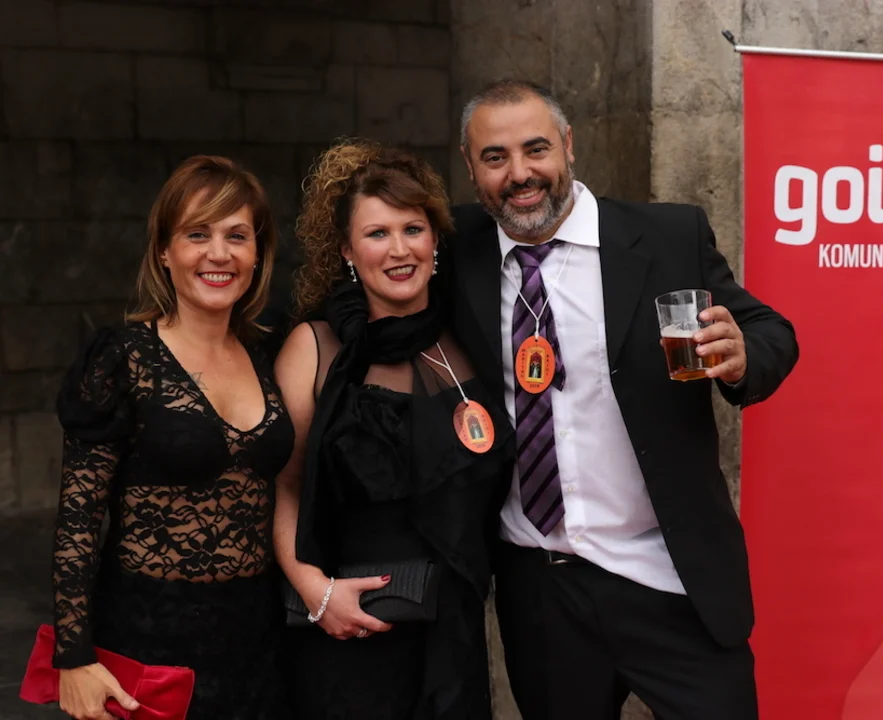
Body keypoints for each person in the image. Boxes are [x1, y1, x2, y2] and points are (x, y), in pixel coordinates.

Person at [448, 81, 800, 720]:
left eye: (536, 149)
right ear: (471, 168)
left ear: (569, 146)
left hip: (668, 575)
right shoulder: (455, 249)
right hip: (541, 587)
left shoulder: (667, 236)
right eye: (495, 157)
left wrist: (743, 354)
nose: (520, 174)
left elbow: (772, 331)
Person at [273, 140, 512, 719]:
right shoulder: (314, 347)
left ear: (435, 241)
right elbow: (282, 485)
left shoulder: (470, 342)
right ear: (347, 251)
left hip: (452, 629)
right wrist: (315, 591)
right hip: (348, 625)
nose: (399, 250)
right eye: (377, 233)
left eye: (413, 229)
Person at [51, 155, 295, 720]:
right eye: (197, 234)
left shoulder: (267, 354)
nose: (219, 253)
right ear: (164, 251)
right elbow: (79, 519)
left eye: (237, 236)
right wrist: (74, 656)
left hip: (255, 646)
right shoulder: (123, 357)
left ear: (258, 254)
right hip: (145, 644)